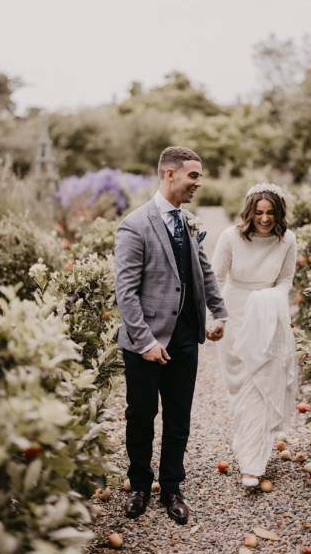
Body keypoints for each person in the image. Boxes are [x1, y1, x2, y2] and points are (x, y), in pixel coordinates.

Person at [114, 146, 227, 524]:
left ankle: (172, 485)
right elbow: (125, 291)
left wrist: (218, 312)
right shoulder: (134, 224)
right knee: (141, 415)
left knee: (179, 417)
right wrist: (145, 341)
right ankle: (140, 485)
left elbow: (204, 272)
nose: (198, 182)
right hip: (145, 340)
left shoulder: (189, 221)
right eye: (193, 175)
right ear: (170, 174)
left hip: (185, 336)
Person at [211, 183, 297, 487]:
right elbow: (216, 280)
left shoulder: (287, 240)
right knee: (240, 390)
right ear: (249, 212)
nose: (264, 218)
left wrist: (268, 300)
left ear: (278, 213)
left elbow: (286, 281)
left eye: (270, 213)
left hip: (268, 317)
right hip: (235, 316)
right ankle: (247, 442)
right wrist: (216, 318)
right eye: (259, 212)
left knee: (261, 387)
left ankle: (252, 463)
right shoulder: (229, 238)